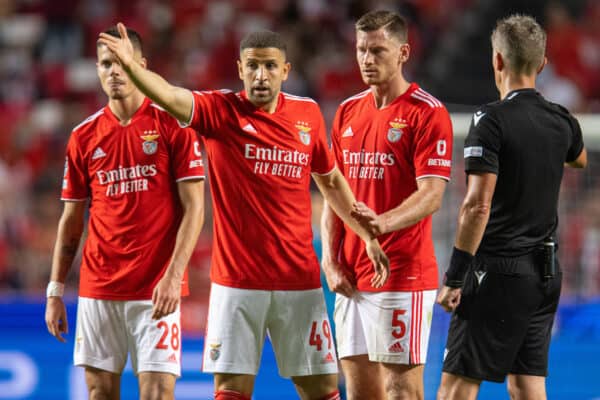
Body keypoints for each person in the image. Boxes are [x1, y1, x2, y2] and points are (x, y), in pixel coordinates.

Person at [98, 23, 390, 400]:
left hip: (298, 282)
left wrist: (366, 234)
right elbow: (170, 95)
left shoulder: (308, 115)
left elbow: (331, 181)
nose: (260, 75)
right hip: (236, 284)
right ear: (239, 69)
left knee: (322, 389)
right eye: (252, 66)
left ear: (285, 71)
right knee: (232, 391)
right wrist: (133, 69)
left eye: (270, 66)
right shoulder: (220, 111)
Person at [44, 26, 206, 400]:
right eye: (105, 64)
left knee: (157, 394)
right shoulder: (83, 136)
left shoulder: (173, 123)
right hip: (99, 288)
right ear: (97, 71)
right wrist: (55, 290)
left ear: (141, 66)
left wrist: (174, 274)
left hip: (157, 290)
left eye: (121, 62)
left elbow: (195, 208)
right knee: (99, 394)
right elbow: (71, 221)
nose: (114, 71)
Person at [436, 14, 587, 400]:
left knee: (456, 386)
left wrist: (455, 276)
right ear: (541, 65)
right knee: (526, 384)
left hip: (497, 272)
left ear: (497, 61)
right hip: (546, 274)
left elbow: (476, 206)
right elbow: (580, 159)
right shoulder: (562, 120)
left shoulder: (491, 121)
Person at [321, 10, 453, 400]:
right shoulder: (347, 111)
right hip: (351, 276)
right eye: (361, 49)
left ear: (403, 53)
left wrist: (381, 224)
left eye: (378, 50)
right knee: (360, 390)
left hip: (402, 273)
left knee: (401, 390)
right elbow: (333, 192)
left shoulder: (427, 112)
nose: (367, 59)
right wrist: (330, 260)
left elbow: (432, 195)